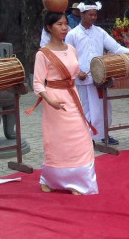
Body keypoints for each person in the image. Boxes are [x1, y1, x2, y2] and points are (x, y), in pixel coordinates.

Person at [30, 11, 98, 195]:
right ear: (49, 28)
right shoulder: (42, 54)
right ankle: (50, 180)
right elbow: (37, 82)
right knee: (57, 142)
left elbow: (73, 72)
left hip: (72, 96)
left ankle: (79, 181)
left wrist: (80, 74)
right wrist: (50, 100)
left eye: (65, 23)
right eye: (59, 24)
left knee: (82, 138)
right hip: (55, 99)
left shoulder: (71, 48)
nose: (64, 27)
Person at [64, 1, 129, 145]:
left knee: (104, 108)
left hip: (100, 77)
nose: (93, 17)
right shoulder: (72, 34)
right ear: (82, 14)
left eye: (95, 15)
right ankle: (87, 137)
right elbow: (67, 57)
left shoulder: (100, 32)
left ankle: (104, 134)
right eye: (90, 14)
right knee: (86, 109)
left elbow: (116, 49)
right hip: (83, 79)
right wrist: (77, 72)